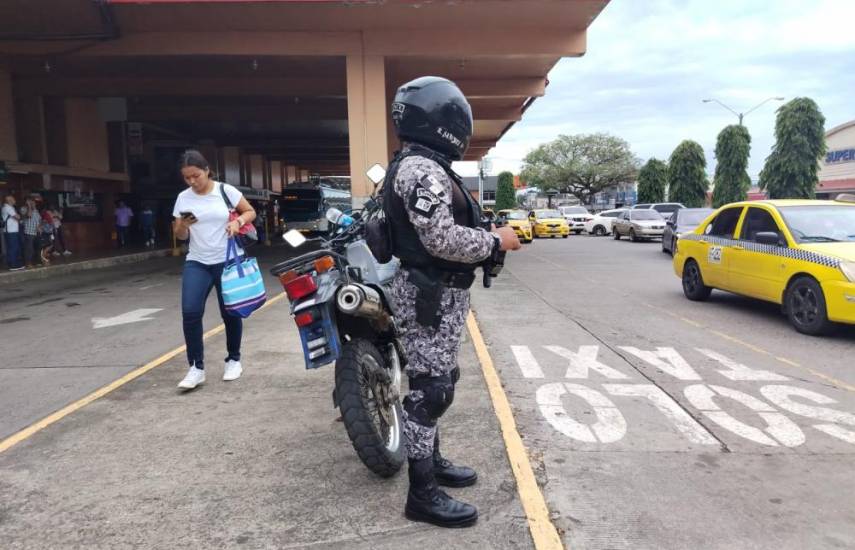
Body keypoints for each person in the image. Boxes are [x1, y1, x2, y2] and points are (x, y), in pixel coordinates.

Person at [385, 77, 521, 528]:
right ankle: (422, 494)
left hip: (436, 294)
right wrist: (494, 240)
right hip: (428, 295)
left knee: (439, 378)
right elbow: (440, 237)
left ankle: (434, 461)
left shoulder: (417, 164)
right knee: (431, 393)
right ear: (444, 122)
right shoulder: (421, 171)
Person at [172, 149, 256, 390]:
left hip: (228, 260)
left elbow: (250, 211)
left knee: (230, 311)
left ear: (207, 170)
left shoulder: (224, 191)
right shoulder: (183, 198)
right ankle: (196, 368)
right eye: (187, 178)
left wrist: (237, 221)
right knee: (190, 312)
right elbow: (180, 235)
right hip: (197, 261)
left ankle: (233, 359)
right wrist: (182, 226)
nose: (192, 181)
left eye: (196, 176)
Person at [2, 195, 23, 271]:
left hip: (12, 231)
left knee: (14, 247)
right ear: (9, 200)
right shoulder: (8, 208)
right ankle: (12, 265)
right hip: (11, 231)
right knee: (12, 248)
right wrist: (18, 216)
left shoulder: (10, 208)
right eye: (13, 199)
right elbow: (17, 217)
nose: (15, 200)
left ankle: (15, 263)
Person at [21, 198, 40, 268]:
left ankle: (32, 262)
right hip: (28, 232)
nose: (33, 203)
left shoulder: (35, 210)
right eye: (31, 202)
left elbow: (37, 220)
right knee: (29, 248)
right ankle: (27, 263)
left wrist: (39, 227)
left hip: (35, 232)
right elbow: (29, 215)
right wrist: (29, 206)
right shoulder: (24, 209)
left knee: (34, 248)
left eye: (34, 202)